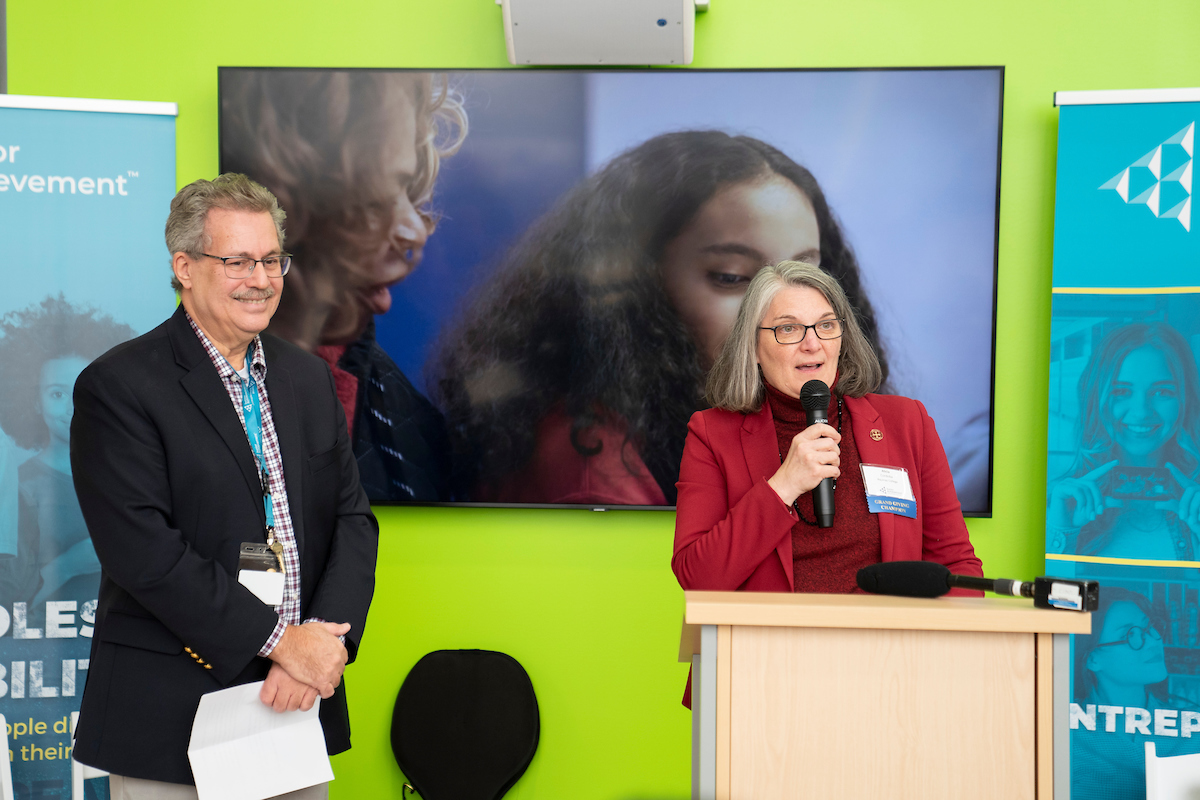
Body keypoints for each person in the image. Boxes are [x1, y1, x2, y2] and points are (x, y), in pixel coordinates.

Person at [69, 174, 378, 797]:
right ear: (184, 267)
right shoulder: (119, 386)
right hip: (175, 719)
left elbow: (352, 519)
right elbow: (144, 554)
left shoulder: (309, 379)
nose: (260, 279)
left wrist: (321, 645)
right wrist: (279, 643)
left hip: (292, 705)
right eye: (236, 260)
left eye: (271, 260)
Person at [433, 131, 891, 507]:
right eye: (731, 278)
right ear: (638, 291)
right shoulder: (596, 469)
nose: (785, 311)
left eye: (806, 275)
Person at [221, 69, 467, 502]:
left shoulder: (407, 416)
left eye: (408, 192)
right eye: (376, 195)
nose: (415, 231)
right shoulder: (168, 398)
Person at [672, 260, 981, 595]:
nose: (812, 343)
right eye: (788, 328)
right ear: (753, 347)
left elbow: (956, 566)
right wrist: (784, 485)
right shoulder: (712, 434)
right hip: (770, 643)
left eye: (826, 325)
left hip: (888, 642)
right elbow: (697, 578)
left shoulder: (906, 423)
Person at [0, 296, 134, 610]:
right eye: (57, 393)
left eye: (84, 387)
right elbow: (9, 606)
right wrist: (71, 564)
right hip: (46, 649)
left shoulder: (138, 477)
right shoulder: (17, 489)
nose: (73, 404)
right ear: (34, 401)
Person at [1047, 322, 1200, 559]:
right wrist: (1061, 532)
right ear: (1095, 399)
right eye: (1120, 391)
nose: (1141, 411)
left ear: (1186, 400)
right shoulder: (1057, 503)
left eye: (1162, 392)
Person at [1070, 585, 1197, 800]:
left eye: (1150, 628)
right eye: (1131, 635)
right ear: (1093, 658)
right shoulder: (1066, 729)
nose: (1154, 640)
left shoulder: (1191, 728)